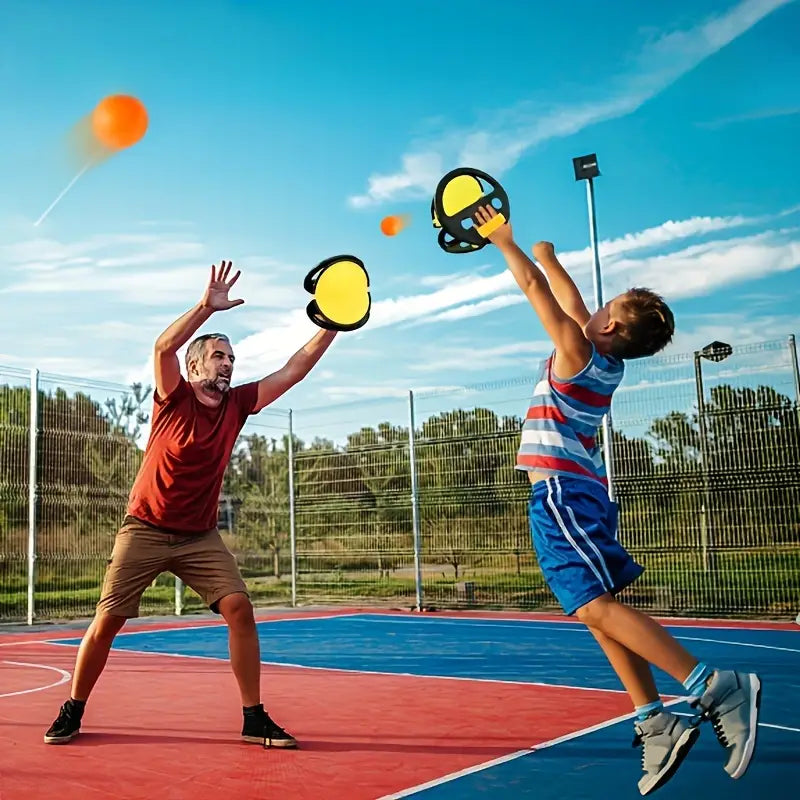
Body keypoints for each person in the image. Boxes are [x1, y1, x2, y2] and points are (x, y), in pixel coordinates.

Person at [473, 205, 761, 796]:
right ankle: (653, 719)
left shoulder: (576, 353)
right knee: (595, 606)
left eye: (606, 308)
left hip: (560, 493)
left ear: (607, 328)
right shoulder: (603, 361)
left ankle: (714, 685)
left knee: (594, 607)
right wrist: (552, 258)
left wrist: (506, 242)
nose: (595, 309)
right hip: (583, 492)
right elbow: (571, 302)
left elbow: (535, 291)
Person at [44, 260, 338, 748]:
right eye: (219, 356)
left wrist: (332, 323)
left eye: (232, 359)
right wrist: (206, 307)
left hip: (199, 537)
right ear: (196, 365)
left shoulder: (238, 405)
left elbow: (293, 369)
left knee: (239, 607)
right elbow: (163, 347)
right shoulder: (173, 397)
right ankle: (72, 709)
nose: (228, 364)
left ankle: (253, 718)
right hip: (145, 528)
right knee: (108, 620)